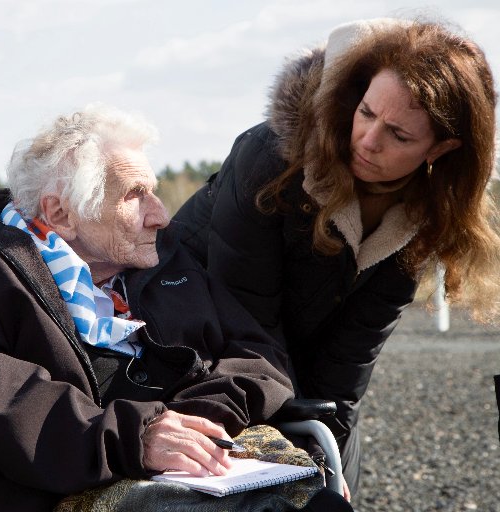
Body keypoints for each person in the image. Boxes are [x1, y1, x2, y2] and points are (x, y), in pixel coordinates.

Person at [174, 17, 500, 496]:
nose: (368, 140)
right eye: (366, 112)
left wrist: (325, 457)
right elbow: (245, 317)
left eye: (400, 135)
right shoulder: (269, 158)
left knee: (335, 466)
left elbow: (351, 357)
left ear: (443, 148)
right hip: (195, 346)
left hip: (297, 361)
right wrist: (290, 457)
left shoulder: (423, 217)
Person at [0, 104, 353, 512]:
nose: (160, 215)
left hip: (196, 469)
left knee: (320, 505)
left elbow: (257, 356)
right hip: (73, 484)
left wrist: (197, 422)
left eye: (154, 190)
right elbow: (5, 400)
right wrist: (136, 437)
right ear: (61, 213)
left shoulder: (163, 257)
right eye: (135, 195)